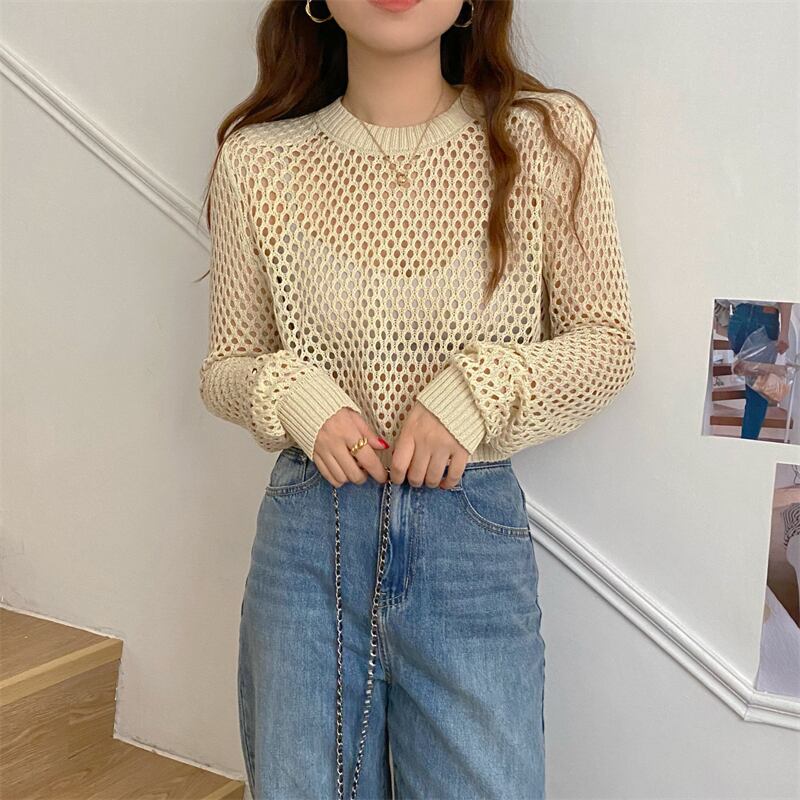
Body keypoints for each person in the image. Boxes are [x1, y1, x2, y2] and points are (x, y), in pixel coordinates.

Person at [197, 1, 637, 797]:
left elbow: (606, 343)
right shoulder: (257, 161)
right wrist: (290, 389)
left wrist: (477, 390)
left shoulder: (544, 137)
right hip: (309, 542)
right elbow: (226, 365)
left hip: (469, 545)